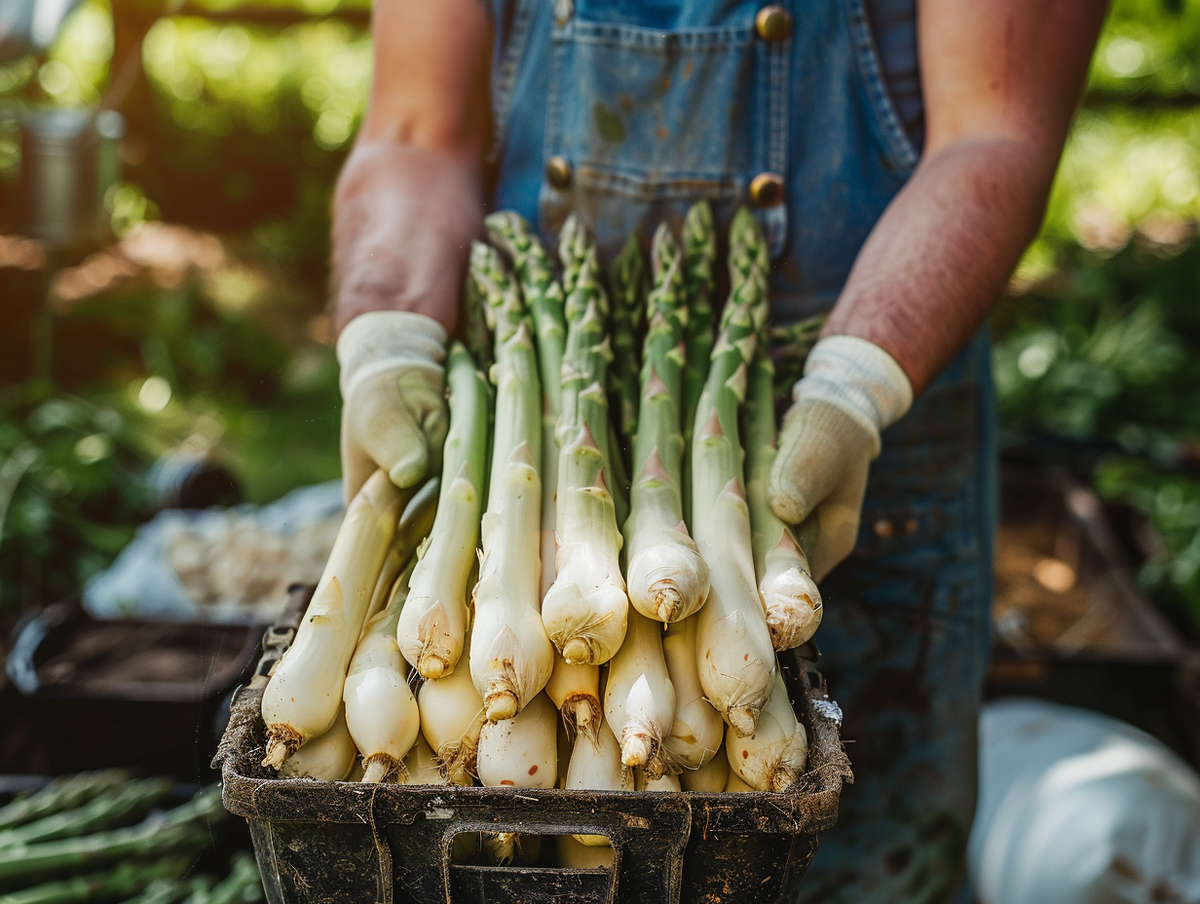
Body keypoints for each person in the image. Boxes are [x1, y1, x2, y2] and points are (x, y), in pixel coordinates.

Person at [331, 1, 1107, 900]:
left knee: (870, 859)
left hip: (871, 394)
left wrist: (856, 385)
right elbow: (414, 127)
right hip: (529, 394)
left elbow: (995, 133)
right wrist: (386, 323)